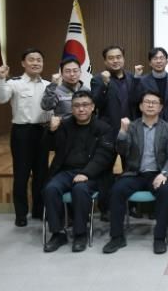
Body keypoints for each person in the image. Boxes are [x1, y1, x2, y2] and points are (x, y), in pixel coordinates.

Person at [102, 90, 168, 255]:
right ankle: (117, 237)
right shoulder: (132, 126)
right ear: (141, 106)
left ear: (160, 107)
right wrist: (122, 132)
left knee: (165, 191)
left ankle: (160, 238)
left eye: (154, 102)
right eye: (147, 102)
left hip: (157, 173)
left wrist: (164, 173)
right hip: (135, 174)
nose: (150, 105)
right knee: (117, 190)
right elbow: (121, 151)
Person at [42, 91, 115, 252]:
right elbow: (48, 146)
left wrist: (86, 173)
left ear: (93, 107)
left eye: (85, 105)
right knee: (51, 188)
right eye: (76, 106)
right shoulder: (64, 125)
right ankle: (58, 233)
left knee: (80, 189)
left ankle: (80, 234)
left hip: (92, 174)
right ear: (72, 108)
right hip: (66, 171)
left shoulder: (103, 128)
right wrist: (51, 131)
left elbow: (104, 157)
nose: (81, 109)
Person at [0, 48, 51, 226]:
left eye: (39, 60)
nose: (35, 63)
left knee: (41, 174)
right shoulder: (14, 83)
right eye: (31, 59)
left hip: (43, 131)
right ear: (23, 63)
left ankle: (38, 210)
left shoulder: (48, 85)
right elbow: (0, 98)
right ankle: (21, 214)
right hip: (22, 132)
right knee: (21, 174)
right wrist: (1, 78)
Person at [90, 45, 142, 216]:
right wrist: (104, 85)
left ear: (123, 58)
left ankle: (132, 207)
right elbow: (95, 104)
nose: (115, 60)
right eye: (111, 58)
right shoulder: (98, 80)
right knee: (106, 173)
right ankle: (106, 209)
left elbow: (138, 103)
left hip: (131, 133)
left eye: (118, 57)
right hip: (108, 134)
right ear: (105, 61)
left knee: (131, 170)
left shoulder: (133, 78)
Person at [138, 47, 168, 130]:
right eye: (155, 58)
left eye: (161, 58)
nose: (158, 61)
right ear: (150, 63)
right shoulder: (142, 81)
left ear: (166, 62)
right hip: (150, 123)